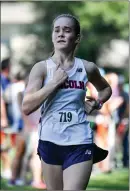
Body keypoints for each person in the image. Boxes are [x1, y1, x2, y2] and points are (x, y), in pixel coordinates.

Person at [22, 14, 112, 190]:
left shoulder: (87, 67)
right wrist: (54, 83)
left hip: (80, 140)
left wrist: (97, 103)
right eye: (57, 30)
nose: (61, 34)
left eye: (67, 30)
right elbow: (27, 107)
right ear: (52, 36)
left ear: (77, 38)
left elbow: (105, 89)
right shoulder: (41, 68)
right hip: (50, 140)